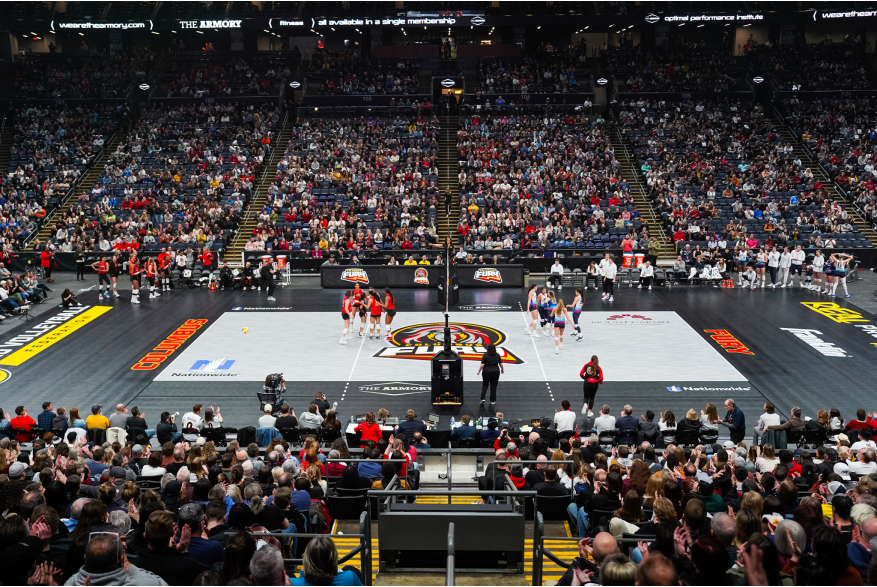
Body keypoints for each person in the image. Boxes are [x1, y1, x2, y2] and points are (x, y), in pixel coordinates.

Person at [65, 531, 168, 586]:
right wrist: (128, 565)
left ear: (85, 557)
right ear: (121, 560)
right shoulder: (147, 583)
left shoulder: (70, 582)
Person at [291, 535, 364, 586]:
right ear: (334, 558)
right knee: (350, 569)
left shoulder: (291, 583)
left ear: (307, 559)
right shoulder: (350, 578)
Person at [477, 344, 504, 408]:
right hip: (495, 372)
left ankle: (483, 398)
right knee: (493, 386)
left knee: (485, 384)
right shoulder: (497, 355)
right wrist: (502, 370)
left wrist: (479, 371)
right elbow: (501, 364)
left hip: (486, 371)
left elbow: (482, 365)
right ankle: (492, 400)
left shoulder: (485, 355)